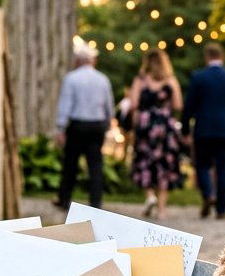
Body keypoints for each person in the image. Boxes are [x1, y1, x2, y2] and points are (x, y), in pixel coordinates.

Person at [182, 42, 225, 218]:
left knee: (202, 165)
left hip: (203, 129)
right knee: (224, 169)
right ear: (222, 56)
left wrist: (185, 129)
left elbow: (188, 106)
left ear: (206, 57)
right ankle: (221, 209)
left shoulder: (198, 77)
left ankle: (208, 194)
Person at [54, 45, 115, 210]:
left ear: (78, 60)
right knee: (95, 164)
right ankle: (96, 203)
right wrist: (108, 124)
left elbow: (65, 104)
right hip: (97, 125)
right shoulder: (102, 79)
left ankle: (64, 199)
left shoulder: (71, 78)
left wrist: (60, 128)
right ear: (92, 60)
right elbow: (109, 105)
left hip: (78, 125)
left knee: (70, 164)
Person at [128, 49, 183, 219]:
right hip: (164, 127)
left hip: (146, 125)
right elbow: (178, 105)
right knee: (164, 165)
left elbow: (134, 103)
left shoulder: (141, 80)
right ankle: (162, 210)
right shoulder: (171, 81)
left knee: (144, 162)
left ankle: (150, 195)